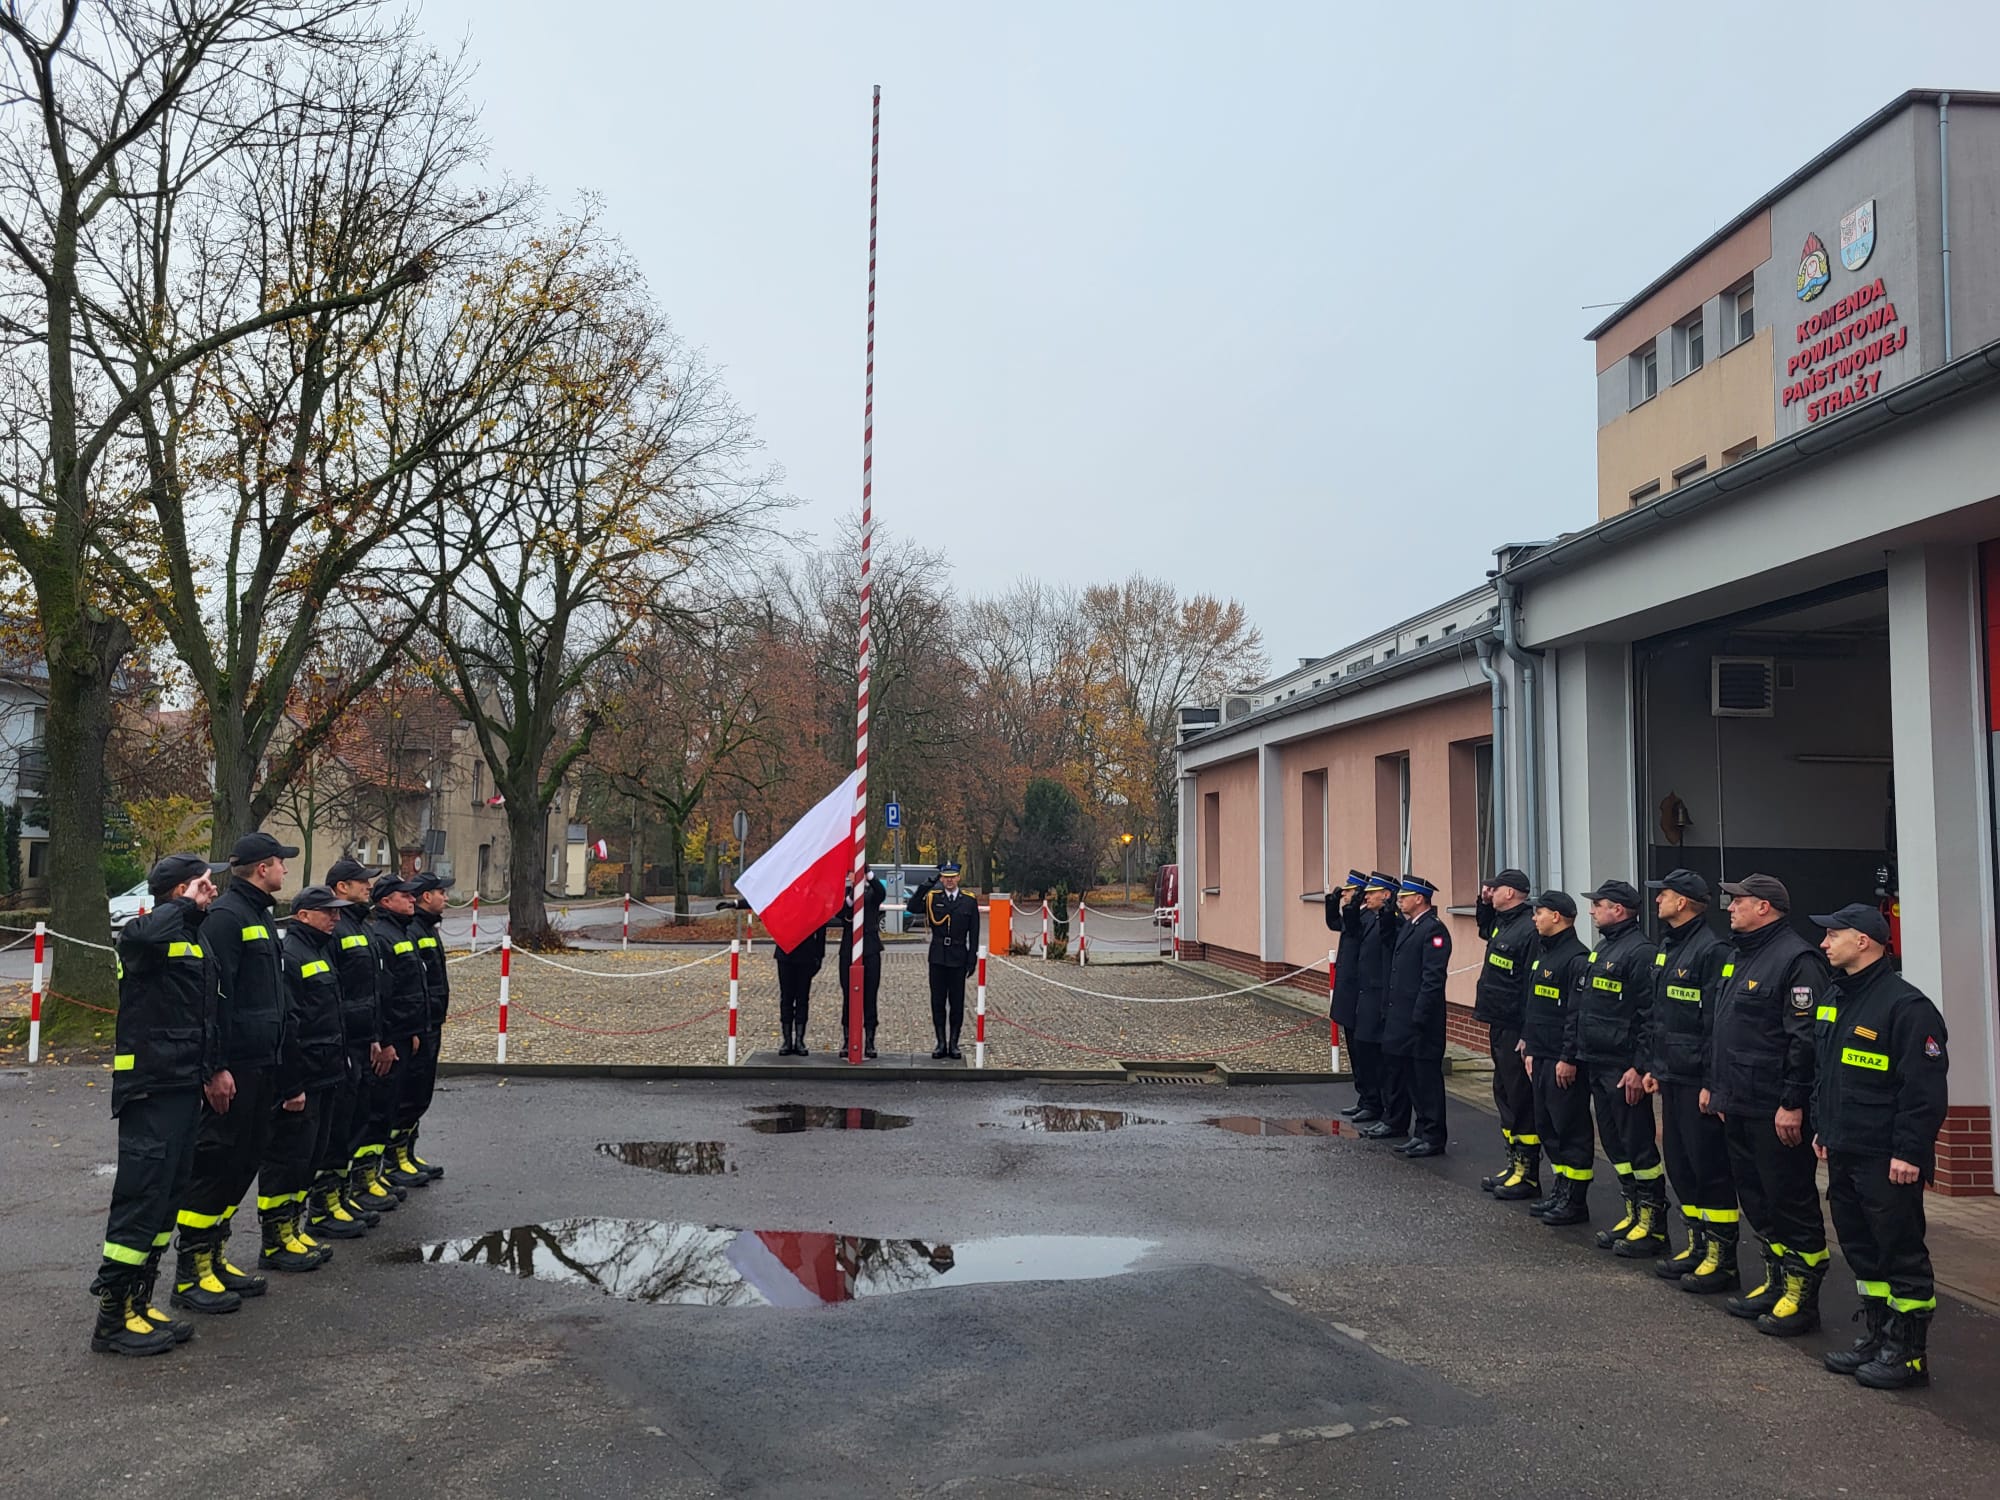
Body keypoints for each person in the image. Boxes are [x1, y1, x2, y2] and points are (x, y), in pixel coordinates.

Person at [89, 854, 225, 1353]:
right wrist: (184, 905)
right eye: (202, 883)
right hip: (151, 1086)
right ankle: (112, 1320)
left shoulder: (193, 937)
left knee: (166, 1199)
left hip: (183, 1084)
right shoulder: (146, 933)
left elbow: (204, 1015)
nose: (212, 889)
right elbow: (142, 939)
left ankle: (138, 1302)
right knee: (142, 1197)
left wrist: (213, 1070)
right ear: (179, 889)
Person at [1810, 903, 1949, 1388]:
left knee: (1900, 1252)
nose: (1824, 943)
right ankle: (1877, 1337)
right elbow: (1826, 1072)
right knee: (1861, 1248)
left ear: (1863, 941)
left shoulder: (1906, 1007)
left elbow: (1923, 1091)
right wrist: (1823, 1127)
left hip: (1886, 1158)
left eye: (1833, 935)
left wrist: (1910, 1152)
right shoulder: (1837, 997)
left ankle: (1908, 1354)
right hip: (1845, 1148)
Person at [173, 831, 297, 1312]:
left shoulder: (258, 914)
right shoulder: (227, 917)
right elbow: (213, 999)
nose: (285, 869)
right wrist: (216, 1066)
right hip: (235, 1066)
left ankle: (214, 1256)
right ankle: (191, 1271)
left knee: (244, 1160)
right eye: (281, 863)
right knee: (215, 1164)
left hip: (262, 1062)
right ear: (263, 868)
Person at [1709, 873, 1833, 1335]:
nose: (1730, 908)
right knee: (1757, 1199)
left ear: (1764, 906)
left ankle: (1802, 1296)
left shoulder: (1797, 960)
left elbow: (1804, 1040)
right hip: (1740, 1100)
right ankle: (1777, 1280)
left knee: (1789, 1199)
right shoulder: (1740, 955)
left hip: (1774, 1107)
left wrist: (1793, 1102)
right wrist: (1720, 1090)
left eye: (1737, 901)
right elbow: (1727, 1031)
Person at [1641, 869, 1738, 1289]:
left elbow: (1715, 1024)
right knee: (1680, 1166)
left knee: (1708, 1168)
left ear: (1682, 902)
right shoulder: (1669, 946)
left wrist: (1710, 1083)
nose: (1656, 900)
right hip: (1671, 1074)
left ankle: (1722, 1258)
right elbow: (1661, 1015)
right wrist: (1654, 1066)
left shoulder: (1712, 950)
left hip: (1697, 1080)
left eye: (1662, 895)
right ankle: (1698, 1245)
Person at [255, 885, 352, 1272]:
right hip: (303, 1079)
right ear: (303, 916)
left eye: (337, 912)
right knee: (286, 1160)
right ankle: (274, 1242)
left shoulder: (319, 950)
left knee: (308, 1158)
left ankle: (292, 1229)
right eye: (328, 912)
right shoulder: (291, 955)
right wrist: (291, 1085)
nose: (336, 918)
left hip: (325, 1074)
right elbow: (289, 1026)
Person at [1572, 880, 1666, 1259]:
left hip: (1622, 1067)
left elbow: (1649, 1016)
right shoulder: (1604, 947)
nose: (1592, 910)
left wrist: (1638, 1066)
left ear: (1619, 910)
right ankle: (1633, 1212)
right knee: (1615, 1145)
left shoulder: (1640, 952)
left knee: (1638, 1144)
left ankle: (1654, 1224)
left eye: (1599, 905)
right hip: (1598, 1061)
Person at [327, 860, 396, 1222]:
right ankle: (326, 1203)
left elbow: (372, 990)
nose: (369, 886)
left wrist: (375, 1036)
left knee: (356, 1121)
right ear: (342, 887)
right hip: (344, 1043)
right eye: (362, 882)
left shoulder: (360, 925)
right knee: (338, 1128)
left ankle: (345, 1193)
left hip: (363, 1040)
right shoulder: (335, 928)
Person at [1520, 891, 1595, 1224]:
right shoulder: (1544, 953)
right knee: (1547, 1126)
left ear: (1557, 916)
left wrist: (1569, 1057)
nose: (1534, 918)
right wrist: (1530, 1048)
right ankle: (1560, 1190)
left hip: (1561, 1059)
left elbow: (1576, 1015)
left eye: (1540, 912)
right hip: (1541, 1054)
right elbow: (1535, 1005)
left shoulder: (1576, 958)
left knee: (1570, 1128)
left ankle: (1575, 1201)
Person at [359, 873, 432, 1203]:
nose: (413, 899)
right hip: (391, 1037)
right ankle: (368, 1176)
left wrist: (413, 1031)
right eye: (405, 896)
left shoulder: (402, 931)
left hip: (406, 1033)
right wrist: (386, 1039)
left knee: (395, 1105)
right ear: (386, 901)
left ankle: (385, 1167)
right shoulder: (382, 935)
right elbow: (384, 994)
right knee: (378, 1111)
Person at [1474, 869, 1539, 1196]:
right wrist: (1483, 903)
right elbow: (1484, 928)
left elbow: (1529, 986)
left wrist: (1528, 1033)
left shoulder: (1528, 929)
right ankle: (1514, 1163)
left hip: (1515, 1026)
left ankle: (1527, 1173)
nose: (1490, 892)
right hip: (1498, 1021)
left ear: (1510, 892)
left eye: (1495, 889)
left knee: (1520, 1097)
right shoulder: (1504, 922)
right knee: (1503, 1093)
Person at [1381, 875, 1450, 1158]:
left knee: (1426, 1080)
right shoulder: (1411, 926)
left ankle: (1433, 1135)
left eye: (1404, 897)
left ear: (1419, 898)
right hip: (1405, 1017)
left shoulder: (1434, 930)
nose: (1399, 901)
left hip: (1423, 1020)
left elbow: (1432, 978)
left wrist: (1420, 1015)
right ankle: (1420, 1132)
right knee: (1413, 1077)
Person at [396, 872, 452, 1181]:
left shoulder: (427, 928)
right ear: (426, 896)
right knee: (409, 1094)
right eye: (441, 892)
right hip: (420, 1024)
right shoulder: (413, 930)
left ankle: (408, 1151)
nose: (446, 898)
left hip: (432, 1021)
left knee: (420, 1093)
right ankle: (395, 1158)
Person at [908, 862, 979, 1060]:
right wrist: (926, 885)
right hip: (938, 956)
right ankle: (940, 1042)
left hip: (958, 956)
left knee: (957, 1003)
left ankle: (954, 1043)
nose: (949, 880)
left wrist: (972, 958)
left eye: (952, 877)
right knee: (937, 1002)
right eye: (945, 877)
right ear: (941, 878)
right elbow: (912, 907)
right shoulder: (933, 898)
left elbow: (974, 932)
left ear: (958, 878)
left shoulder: (968, 900)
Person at [1352, 873, 1404, 1137]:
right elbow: (1345, 927)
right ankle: (1373, 1103)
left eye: (1372, 892)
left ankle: (1387, 1112)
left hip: (1381, 996)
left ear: (1386, 895)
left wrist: (1389, 912)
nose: (1366, 896)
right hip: (1367, 995)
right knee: (1366, 1052)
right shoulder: (1369, 918)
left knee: (1384, 1060)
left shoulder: (1392, 921)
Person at [1325, 871, 1376, 1121]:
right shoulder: (1355, 916)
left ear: (1359, 894)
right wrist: (1332, 902)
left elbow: (1352, 929)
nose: (1344, 893)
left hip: (1358, 992)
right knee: (1354, 1050)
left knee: (1364, 1053)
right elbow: (1335, 923)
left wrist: (1351, 907)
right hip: (1348, 992)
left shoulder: (1367, 917)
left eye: (1349, 891)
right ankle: (1363, 1096)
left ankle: (1371, 1099)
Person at [838, 875, 887, 1057]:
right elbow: (839, 912)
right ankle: (848, 1039)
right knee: (848, 996)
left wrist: (870, 875)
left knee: (870, 996)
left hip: (870, 949)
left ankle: (870, 1041)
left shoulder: (872, 891)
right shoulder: (845, 893)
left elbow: (881, 893)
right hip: (848, 950)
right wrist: (851, 896)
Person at [773, 914, 827, 1056]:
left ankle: (799, 1040)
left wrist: (819, 955)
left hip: (806, 954)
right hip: (785, 953)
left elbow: (821, 926)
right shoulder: (783, 901)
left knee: (802, 998)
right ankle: (787, 1040)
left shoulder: (812, 902)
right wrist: (736, 904)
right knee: (786, 998)